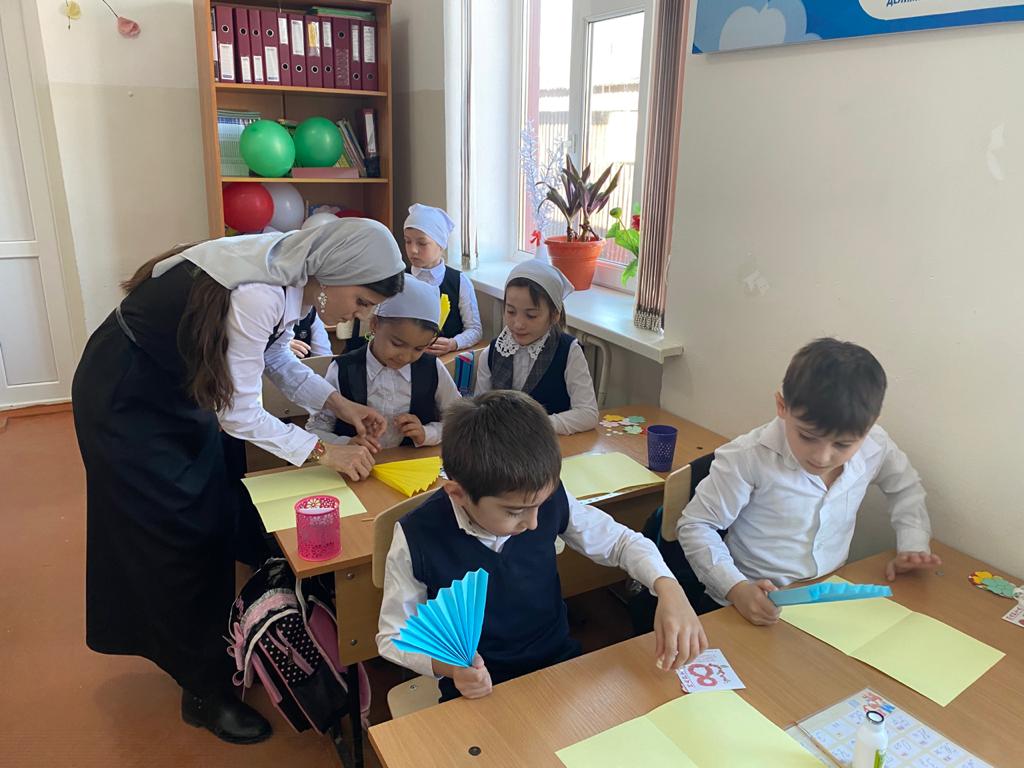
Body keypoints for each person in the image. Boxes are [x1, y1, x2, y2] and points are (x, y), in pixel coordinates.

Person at [72, 219, 405, 744]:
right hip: (129, 396)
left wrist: (341, 405)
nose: (360, 316)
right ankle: (202, 690)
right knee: (176, 535)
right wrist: (324, 451)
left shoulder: (292, 273)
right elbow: (240, 415)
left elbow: (273, 357)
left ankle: (230, 632)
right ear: (336, 272)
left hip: (179, 386)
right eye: (362, 301)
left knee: (216, 506)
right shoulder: (260, 290)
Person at [377, 390, 707, 701]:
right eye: (514, 512)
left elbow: (621, 542)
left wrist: (668, 588)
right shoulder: (417, 536)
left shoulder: (542, 499)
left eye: (541, 504)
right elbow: (394, 635)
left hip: (557, 663)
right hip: (477, 684)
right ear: (458, 493)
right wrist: (450, 668)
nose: (534, 523)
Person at [677, 338, 940, 625]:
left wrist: (913, 542)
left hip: (825, 600)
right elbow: (696, 525)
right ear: (782, 406)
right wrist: (736, 588)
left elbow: (905, 487)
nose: (822, 456)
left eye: (842, 444)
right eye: (807, 436)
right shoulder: (748, 457)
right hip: (748, 603)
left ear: (871, 423)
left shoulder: (875, 445)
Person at [306, 278, 461, 450]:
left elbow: (459, 419)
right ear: (374, 324)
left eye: (419, 348)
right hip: (354, 464)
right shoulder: (342, 369)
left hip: (411, 462)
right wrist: (344, 444)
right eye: (397, 344)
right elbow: (315, 429)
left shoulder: (433, 368)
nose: (405, 357)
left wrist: (428, 433)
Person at [474, 260, 599, 435]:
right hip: (502, 446)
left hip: (549, 445)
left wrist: (534, 425)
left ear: (554, 315)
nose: (518, 324)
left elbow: (588, 414)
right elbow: (479, 411)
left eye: (531, 315)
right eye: (510, 312)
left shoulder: (569, 351)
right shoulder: (492, 352)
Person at [404, 203, 483, 355]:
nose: (413, 249)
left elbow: (475, 329)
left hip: (447, 360)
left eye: (422, 243)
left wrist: (454, 343)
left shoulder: (460, 282)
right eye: (408, 241)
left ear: (441, 244)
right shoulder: (400, 280)